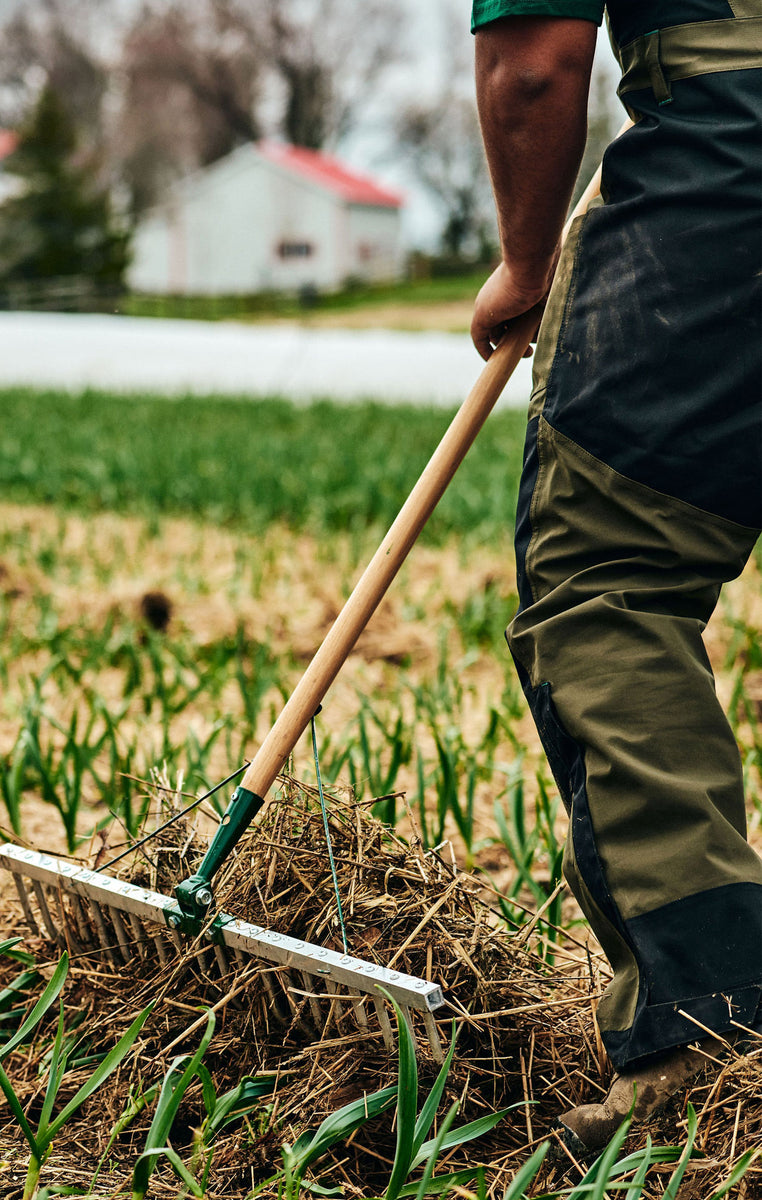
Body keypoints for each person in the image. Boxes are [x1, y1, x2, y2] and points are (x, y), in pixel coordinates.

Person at [469, 0, 762, 1155]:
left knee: (609, 580)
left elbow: (534, 67)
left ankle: (706, 1043)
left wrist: (526, 259)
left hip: (732, 158)